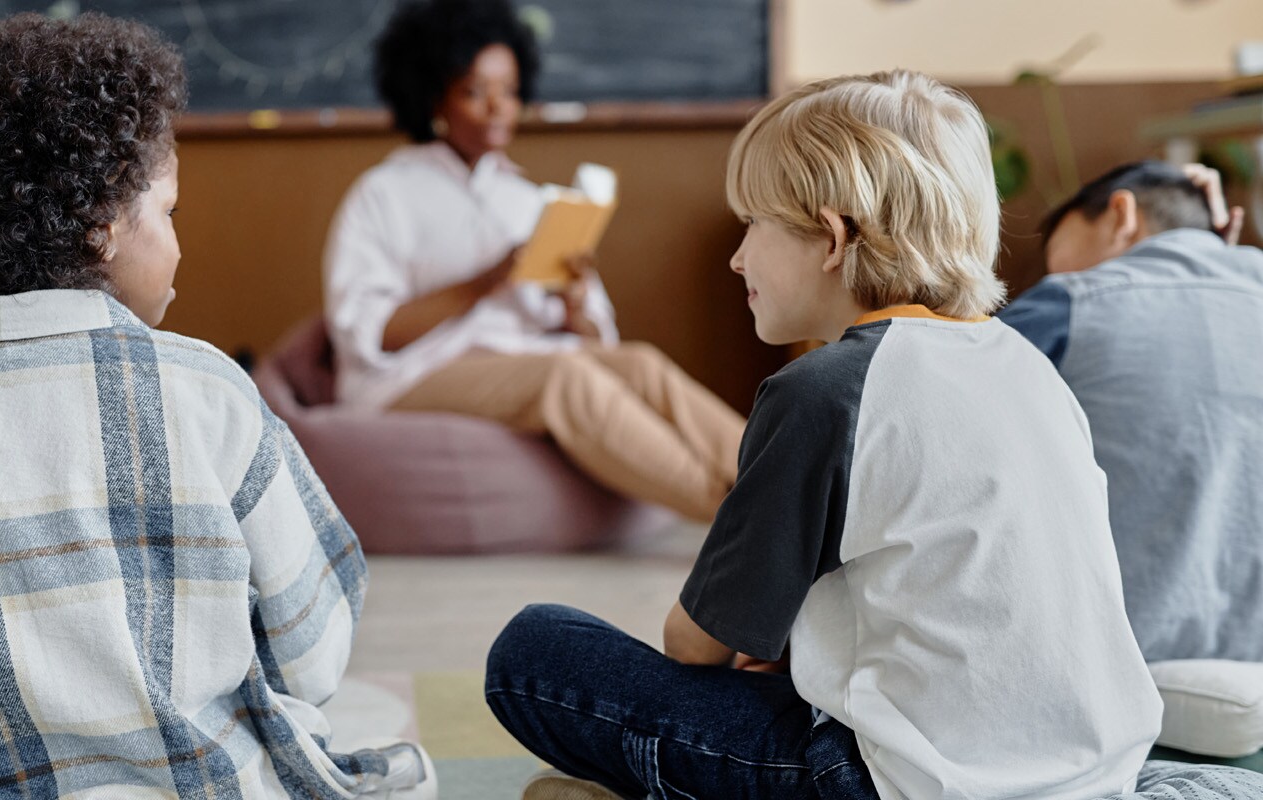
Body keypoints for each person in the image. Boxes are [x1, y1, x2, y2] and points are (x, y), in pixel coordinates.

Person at [0, 14, 432, 799]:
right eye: (169, 212)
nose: (178, 243)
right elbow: (315, 648)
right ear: (101, 227)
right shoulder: (213, 396)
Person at [484, 70, 1161, 799]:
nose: (738, 257)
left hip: (897, 782)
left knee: (534, 650)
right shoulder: (1027, 367)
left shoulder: (823, 390)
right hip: (1099, 772)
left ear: (833, 239)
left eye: (754, 225)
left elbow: (695, 644)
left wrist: (750, 639)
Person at [323, 0, 746, 522]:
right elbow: (368, 336)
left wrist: (573, 304)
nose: (500, 107)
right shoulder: (382, 194)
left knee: (638, 363)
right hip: (411, 376)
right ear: (434, 96)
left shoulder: (528, 199)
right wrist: (487, 281)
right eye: (477, 91)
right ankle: (740, 514)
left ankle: (782, 475)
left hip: (525, 358)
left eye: (510, 91)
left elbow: (595, 340)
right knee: (563, 378)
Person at [1000, 160, 1263, 663]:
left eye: (1064, 261)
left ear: (1121, 213)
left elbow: (937, 404)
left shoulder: (1066, 306)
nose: (1058, 277)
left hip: (1113, 670)